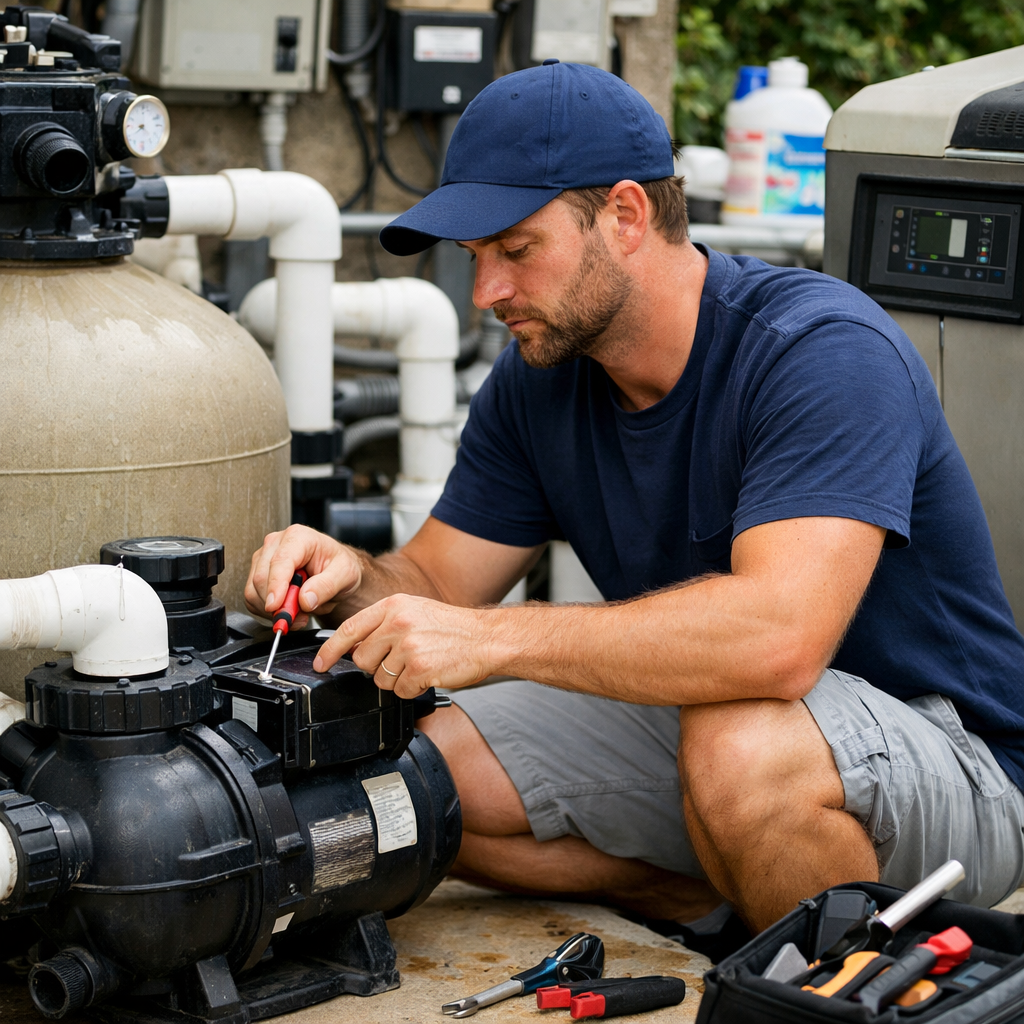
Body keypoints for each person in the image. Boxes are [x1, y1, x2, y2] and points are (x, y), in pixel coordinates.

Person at [245, 61, 1024, 934]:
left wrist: (494, 639)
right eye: (474, 259)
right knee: (413, 783)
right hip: (717, 729)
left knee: (744, 749)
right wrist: (350, 575)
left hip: (960, 764)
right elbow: (436, 582)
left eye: (515, 249)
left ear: (624, 214)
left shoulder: (820, 349)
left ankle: (850, 987)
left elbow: (779, 641)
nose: (486, 294)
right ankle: (704, 904)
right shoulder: (540, 377)